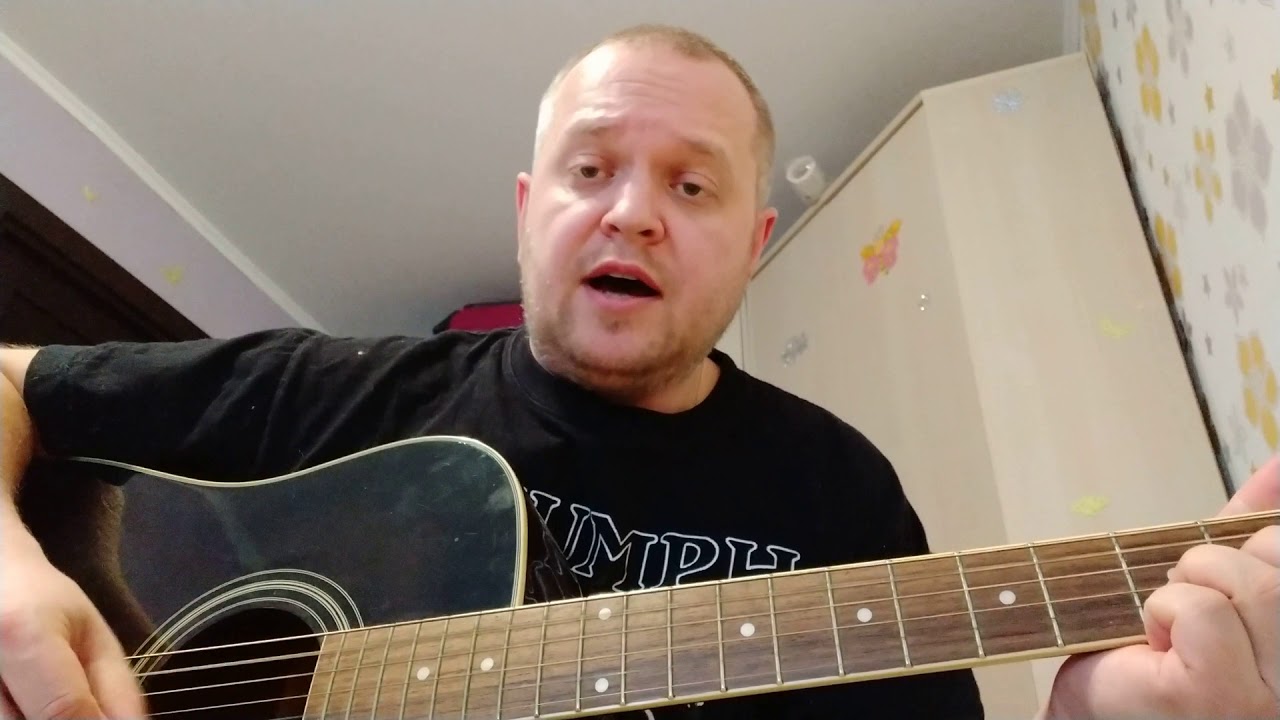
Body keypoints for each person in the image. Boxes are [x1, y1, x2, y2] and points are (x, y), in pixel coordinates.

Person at [0, 22, 1276, 720]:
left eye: (691, 186)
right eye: (591, 169)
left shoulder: (836, 492)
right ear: (527, 212)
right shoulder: (344, 391)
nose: (630, 214)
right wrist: (16, 582)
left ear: (754, 246)